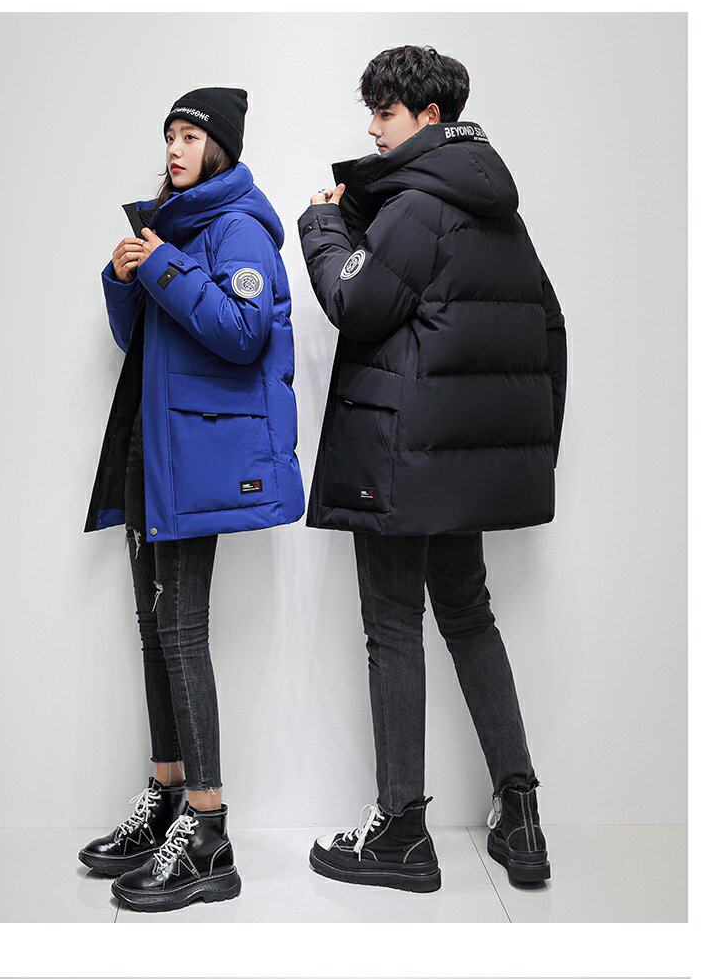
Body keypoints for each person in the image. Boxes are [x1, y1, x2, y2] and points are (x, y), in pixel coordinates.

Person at [298, 46, 566, 891]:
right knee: (470, 618)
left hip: (398, 456)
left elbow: (356, 302)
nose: (373, 131)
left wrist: (323, 227)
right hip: (457, 470)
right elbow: (549, 331)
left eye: (384, 114)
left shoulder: (416, 206)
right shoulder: (498, 210)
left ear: (429, 118)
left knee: (391, 627)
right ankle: (520, 814)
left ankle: (401, 832)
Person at [80, 87, 304, 912]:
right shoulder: (173, 227)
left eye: (189, 136)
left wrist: (161, 266)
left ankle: (208, 832)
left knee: (180, 632)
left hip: (196, 458)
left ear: (219, 147)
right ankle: (168, 795)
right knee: (155, 630)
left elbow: (244, 333)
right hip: (152, 449)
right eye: (168, 135)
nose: (174, 148)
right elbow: (139, 341)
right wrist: (124, 279)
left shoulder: (238, 227)